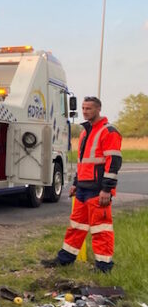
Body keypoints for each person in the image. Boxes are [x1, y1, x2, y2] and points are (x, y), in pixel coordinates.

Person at [44, 96, 121, 272]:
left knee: (101, 230)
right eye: (84, 108)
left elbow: (114, 162)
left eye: (89, 108)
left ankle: (104, 267)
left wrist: (106, 189)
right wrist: (76, 183)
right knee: (76, 227)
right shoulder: (86, 131)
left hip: (98, 190)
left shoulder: (108, 131)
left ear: (98, 109)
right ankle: (65, 260)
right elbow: (84, 162)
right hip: (83, 188)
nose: (85, 111)